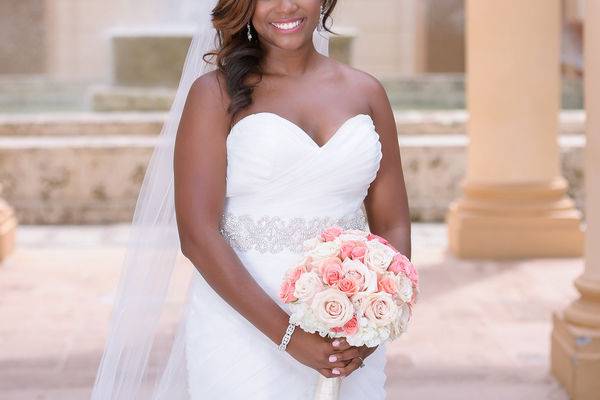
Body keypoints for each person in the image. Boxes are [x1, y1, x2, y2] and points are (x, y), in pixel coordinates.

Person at [90, 1, 410, 399]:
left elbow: (392, 223)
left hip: (346, 334)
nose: (286, 5)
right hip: (242, 324)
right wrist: (291, 338)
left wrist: (374, 323)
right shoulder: (214, 94)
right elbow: (197, 235)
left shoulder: (367, 92)